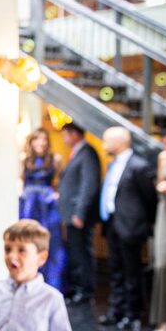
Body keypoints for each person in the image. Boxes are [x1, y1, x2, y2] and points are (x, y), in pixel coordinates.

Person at [98, 127, 157, 331]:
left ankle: (133, 314)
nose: (104, 145)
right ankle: (116, 310)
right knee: (115, 270)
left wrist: (144, 223)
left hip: (131, 226)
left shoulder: (139, 166)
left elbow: (150, 199)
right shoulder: (113, 164)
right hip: (113, 223)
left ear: (119, 142)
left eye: (106, 141)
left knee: (132, 271)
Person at [18, 128, 68, 292]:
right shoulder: (24, 159)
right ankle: (28, 280)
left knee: (52, 242)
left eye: (44, 139)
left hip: (47, 203)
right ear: (31, 141)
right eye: (37, 139)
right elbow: (20, 180)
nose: (41, 143)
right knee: (28, 240)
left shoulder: (55, 159)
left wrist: (57, 194)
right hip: (29, 204)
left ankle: (53, 283)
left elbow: (61, 181)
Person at [58, 123, 101, 305]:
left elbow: (88, 185)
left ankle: (85, 290)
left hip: (78, 216)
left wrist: (80, 213)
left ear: (74, 134)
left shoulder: (88, 154)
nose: (63, 139)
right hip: (72, 214)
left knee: (82, 252)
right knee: (75, 251)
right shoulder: (78, 152)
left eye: (65, 135)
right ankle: (77, 287)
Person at [150, 129, 166, 331]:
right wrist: (161, 187)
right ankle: (163, 319)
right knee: (163, 264)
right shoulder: (164, 156)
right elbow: (158, 183)